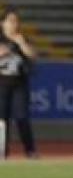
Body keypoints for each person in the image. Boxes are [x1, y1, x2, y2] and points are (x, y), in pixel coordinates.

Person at [0, 8, 37, 158]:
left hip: (19, 83)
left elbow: (33, 56)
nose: (14, 25)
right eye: (10, 21)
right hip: (1, 84)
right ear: (2, 23)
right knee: (2, 120)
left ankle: (30, 150)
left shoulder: (22, 38)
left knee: (22, 117)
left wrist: (21, 43)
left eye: (16, 21)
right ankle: (3, 152)